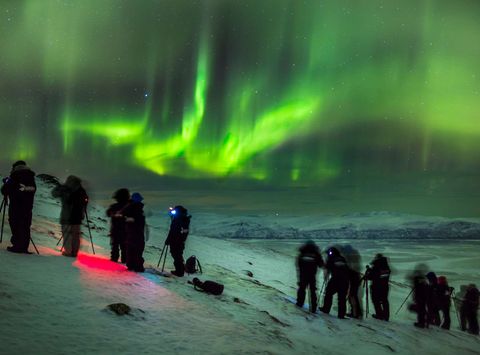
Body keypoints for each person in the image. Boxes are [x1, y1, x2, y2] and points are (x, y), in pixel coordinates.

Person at [1, 160, 36, 253]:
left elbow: (4, 190)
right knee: (25, 225)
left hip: (16, 206)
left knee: (15, 224)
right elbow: (32, 189)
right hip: (27, 207)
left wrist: (7, 181)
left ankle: (17, 246)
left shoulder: (15, 175)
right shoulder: (30, 176)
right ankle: (24, 247)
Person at [52, 175, 88, 257]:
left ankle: (68, 252)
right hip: (77, 216)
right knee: (76, 235)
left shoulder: (66, 189)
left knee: (67, 234)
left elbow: (54, 194)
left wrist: (60, 187)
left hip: (67, 216)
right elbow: (85, 201)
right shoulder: (81, 190)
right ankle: (75, 252)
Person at [319, 247, 349, 318]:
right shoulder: (342, 258)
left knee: (328, 293)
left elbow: (327, 268)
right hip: (345, 280)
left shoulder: (331, 259)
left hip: (336, 279)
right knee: (341, 298)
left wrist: (326, 277)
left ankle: (326, 309)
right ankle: (341, 315)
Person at [295, 240, 324, 313]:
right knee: (312, 291)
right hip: (312, 276)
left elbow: (298, 265)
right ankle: (313, 308)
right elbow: (321, 265)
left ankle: (299, 304)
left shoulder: (302, 253)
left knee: (302, 289)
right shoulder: (316, 254)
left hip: (303, 275)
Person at [165, 205, 191, 277]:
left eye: (175, 211)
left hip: (178, 241)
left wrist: (181, 239)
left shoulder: (183, 219)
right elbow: (172, 230)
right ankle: (179, 270)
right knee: (176, 255)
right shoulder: (178, 218)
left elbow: (185, 231)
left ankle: (180, 271)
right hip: (174, 240)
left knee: (177, 255)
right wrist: (168, 239)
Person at [123, 192, 146, 272]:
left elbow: (124, 215)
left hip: (131, 233)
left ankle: (131, 265)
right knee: (137, 250)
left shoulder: (129, 208)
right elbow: (140, 222)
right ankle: (137, 267)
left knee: (131, 249)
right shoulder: (138, 209)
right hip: (137, 233)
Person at [106, 188, 130, 263]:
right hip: (125, 230)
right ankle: (124, 260)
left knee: (115, 246)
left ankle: (114, 259)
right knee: (124, 246)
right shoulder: (129, 206)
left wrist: (114, 214)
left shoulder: (114, 206)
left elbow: (108, 213)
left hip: (116, 229)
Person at [365, 253, 391, 321]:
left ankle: (379, 315)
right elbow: (380, 275)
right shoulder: (386, 267)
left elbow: (372, 276)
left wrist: (369, 273)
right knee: (384, 300)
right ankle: (386, 316)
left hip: (376, 287)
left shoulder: (376, 266)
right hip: (385, 286)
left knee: (376, 301)